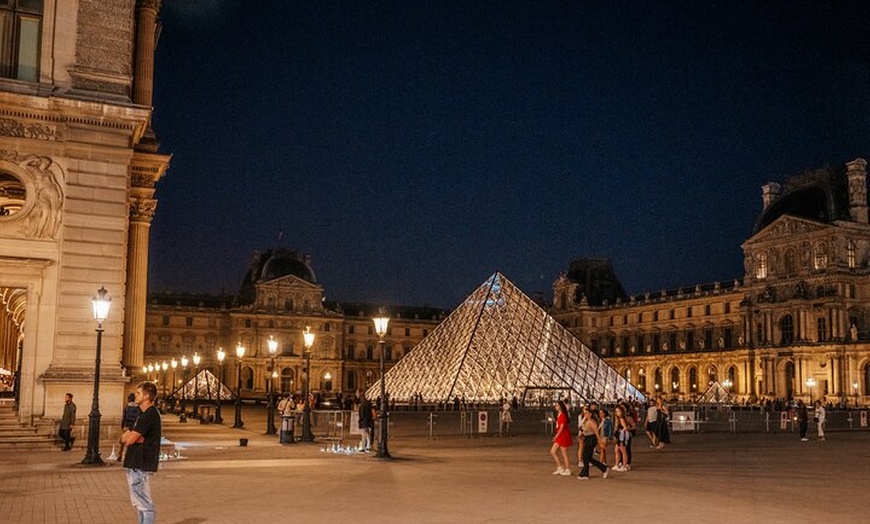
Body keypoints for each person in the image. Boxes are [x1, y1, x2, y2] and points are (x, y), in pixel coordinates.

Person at [122, 381, 162, 524]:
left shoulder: (149, 415)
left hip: (140, 463)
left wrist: (132, 435)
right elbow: (123, 437)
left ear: (146, 396)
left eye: (138, 393)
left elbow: (129, 440)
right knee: (140, 504)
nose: (135, 395)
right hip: (136, 463)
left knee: (145, 504)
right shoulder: (142, 414)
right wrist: (132, 435)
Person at [577, 405, 609, 480]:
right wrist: (581, 435)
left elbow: (596, 432)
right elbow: (584, 431)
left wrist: (600, 442)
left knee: (585, 456)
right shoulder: (586, 421)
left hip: (592, 439)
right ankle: (603, 468)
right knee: (589, 458)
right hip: (587, 438)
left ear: (590, 414)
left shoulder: (592, 422)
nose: (585, 415)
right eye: (584, 413)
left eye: (587, 413)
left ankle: (585, 473)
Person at [549, 400, 573, 476]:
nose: (555, 406)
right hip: (560, 435)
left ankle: (567, 469)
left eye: (557, 405)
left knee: (563, 453)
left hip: (563, 435)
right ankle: (560, 467)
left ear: (560, 407)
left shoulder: (562, 415)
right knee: (553, 451)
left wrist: (556, 436)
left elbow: (562, 428)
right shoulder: (559, 414)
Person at [118, 393, 140, 462]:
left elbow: (124, 417)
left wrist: (122, 426)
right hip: (134, 427)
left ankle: (120, 455)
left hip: (126, 426)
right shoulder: (138, 408)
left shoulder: (127, 407)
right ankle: (129, 456)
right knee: (131, 442)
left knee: (122, 442)